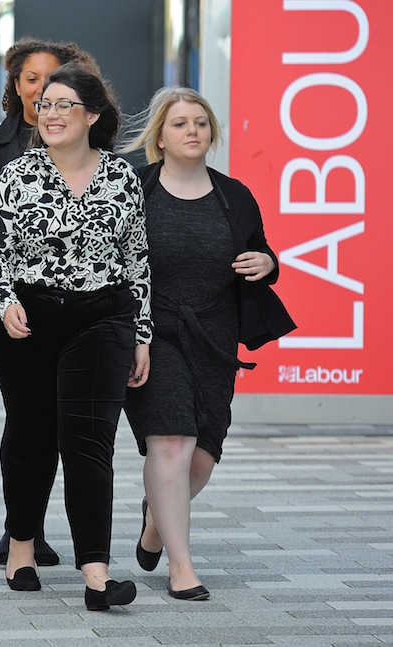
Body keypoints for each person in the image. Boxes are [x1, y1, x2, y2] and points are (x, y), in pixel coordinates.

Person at [0, 64, 151, 610]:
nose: (49, 114)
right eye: (44, 104)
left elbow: (137, 260)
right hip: (29, 321)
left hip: (101, 318)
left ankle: (96, 575)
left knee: (90, 441)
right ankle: (22, 546)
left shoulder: (123, 177)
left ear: (92, 115)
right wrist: (4, 305)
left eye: (63, 105)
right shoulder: (17, 174)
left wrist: (141, 334)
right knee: (31, 436)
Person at [119, 87, 295, 601]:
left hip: (215, 340)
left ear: (212, 133)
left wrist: (268, 264)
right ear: (160, 136)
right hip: (153, 334)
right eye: (179, 123)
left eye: (200, 122)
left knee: (202, 458)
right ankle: (182, 567)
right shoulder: (134, 189)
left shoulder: (234, 194)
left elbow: (260, 252)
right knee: (171, 441)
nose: (192, 130)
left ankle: (156, 517)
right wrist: (130, 334)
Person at [0, 38, 100, 569]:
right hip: (6, 307)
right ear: (16, 86)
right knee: (27, 415)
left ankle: (28, 529)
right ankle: (22, 533)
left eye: (51, 79)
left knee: (59, 420)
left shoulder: (94, 146)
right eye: (30, 78)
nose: (41, 89)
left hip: (79, 313)